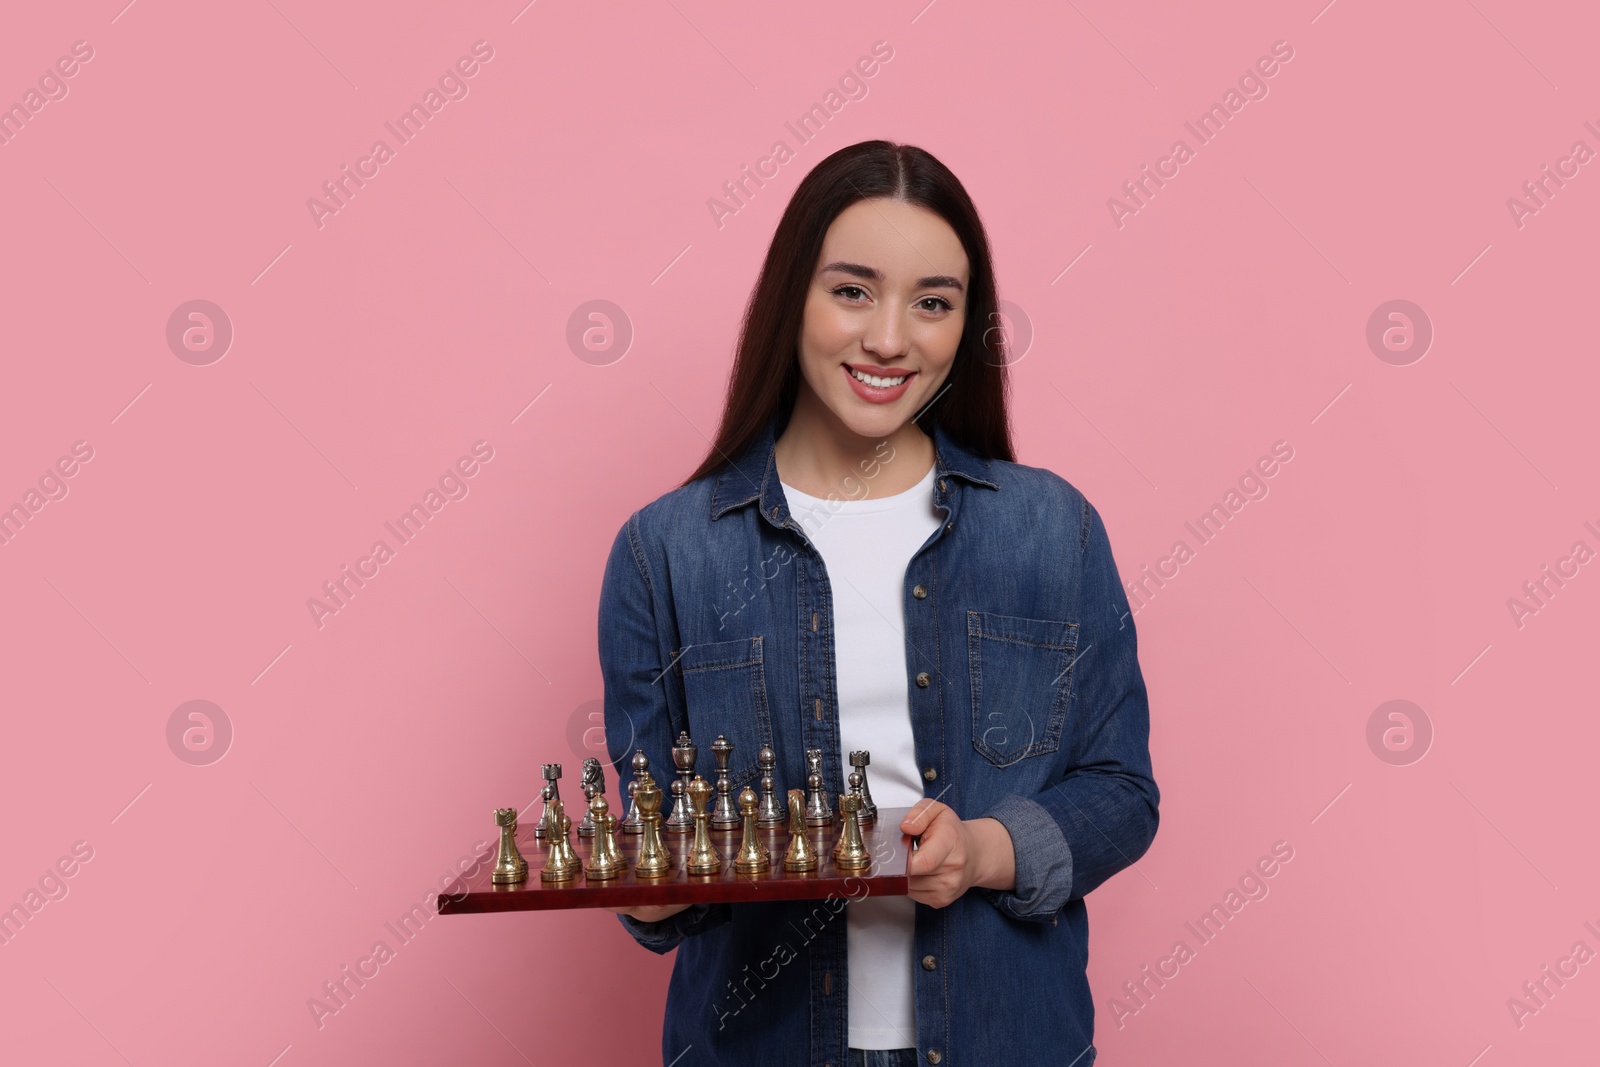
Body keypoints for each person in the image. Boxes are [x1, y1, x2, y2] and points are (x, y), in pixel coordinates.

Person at [597, 140, 1158, 1067]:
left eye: (932, 303)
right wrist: (647, 885)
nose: (891, 339)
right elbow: (662, 859)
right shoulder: (667, 552)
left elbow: (1122, 793)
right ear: (793, 300)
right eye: (853, 290)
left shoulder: (1054, 531)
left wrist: (980, 850)